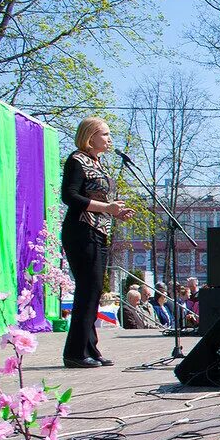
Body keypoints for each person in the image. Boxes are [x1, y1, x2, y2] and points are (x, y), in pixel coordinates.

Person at [60, 117, 134, 368]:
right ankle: (75, 352)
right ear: (90, 137)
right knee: (87, 290)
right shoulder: (77, 160)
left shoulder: (99, 164)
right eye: (105, 134)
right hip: (81, 230)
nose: (109, 138)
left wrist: (115, 211)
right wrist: (107, 207)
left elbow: (101, 200)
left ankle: (90, 347)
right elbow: (69, 196)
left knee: (95, 291)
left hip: (99, 231)